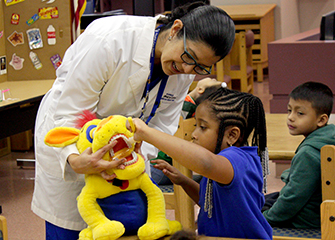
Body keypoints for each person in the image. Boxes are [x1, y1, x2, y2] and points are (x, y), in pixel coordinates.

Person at [31, 1, 235, 239]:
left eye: (199, 67)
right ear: (176, 29)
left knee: (128, 226)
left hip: (125, 155)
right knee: (72, 224)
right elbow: (70, 111)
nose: (187, 68)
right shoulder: (110, 40)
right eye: (189, 56)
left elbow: (162, 125)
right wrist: (74, 158)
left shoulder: (182, 70)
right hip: (73, 133)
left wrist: (133, 155)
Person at [131, 88, 272, 239]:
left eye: (203, 127)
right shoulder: (225, 162)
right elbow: (210, 203)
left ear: (232, 135)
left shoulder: (237, 159)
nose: (194, 134)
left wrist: (147, 133)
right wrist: (184, 181)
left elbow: (206, 163)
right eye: (195, 126)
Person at [262, 81, 335, 229]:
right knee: (265, 199)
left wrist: (265, 219)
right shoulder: (328, 137)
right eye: (289, 110)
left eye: (299, 113)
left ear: (321, 120)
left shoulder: (308, 154)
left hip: (306, 219)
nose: (290, 117)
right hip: (317, 210)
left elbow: (292, 199)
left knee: (250, 212)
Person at [151, 78, 225, 185]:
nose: (213, 78)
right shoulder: (199, 111)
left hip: (157, 166)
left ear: (200, 89)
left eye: (213, 80)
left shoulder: (183, 104)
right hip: (169, 167)